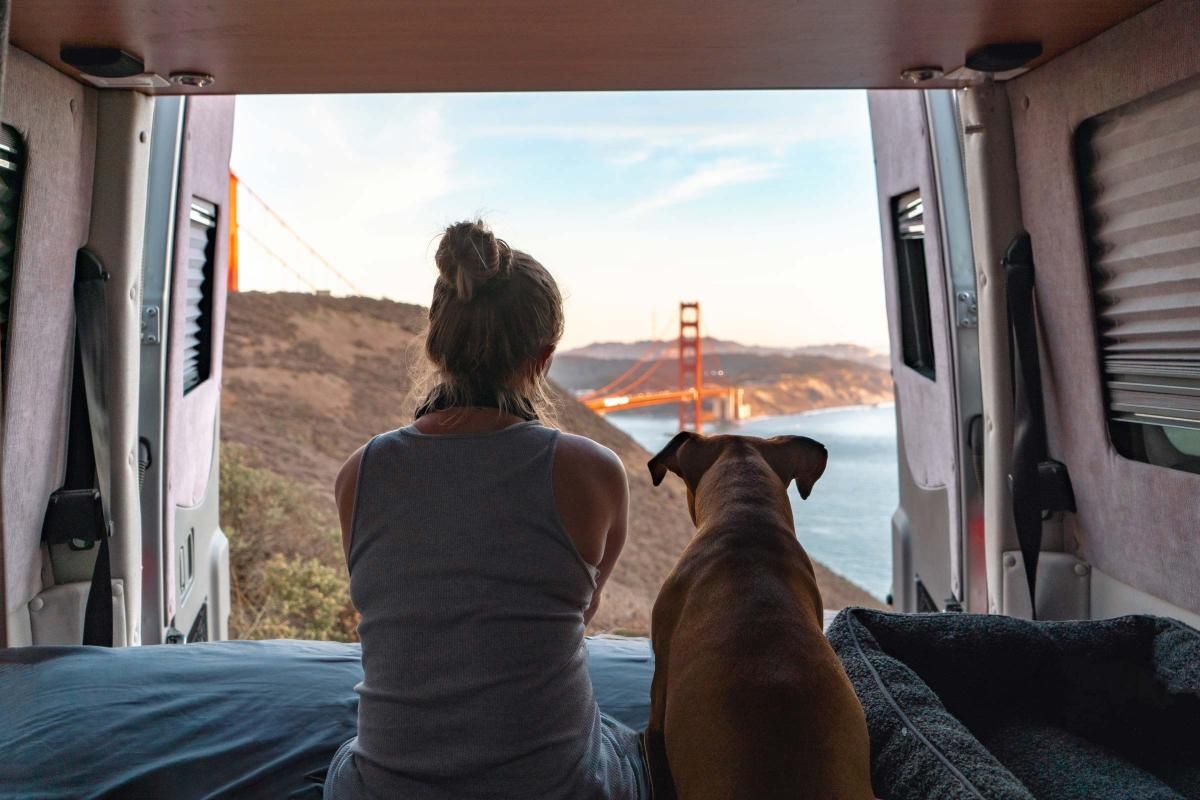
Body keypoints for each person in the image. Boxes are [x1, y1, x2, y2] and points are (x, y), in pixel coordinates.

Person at [324, 220, 650, 800]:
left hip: (378, 792)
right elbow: (580, 617)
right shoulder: (595, 473)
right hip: (559, 789)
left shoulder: (359, 473)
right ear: (544, 358)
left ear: (434, 345)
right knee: (637, 747)